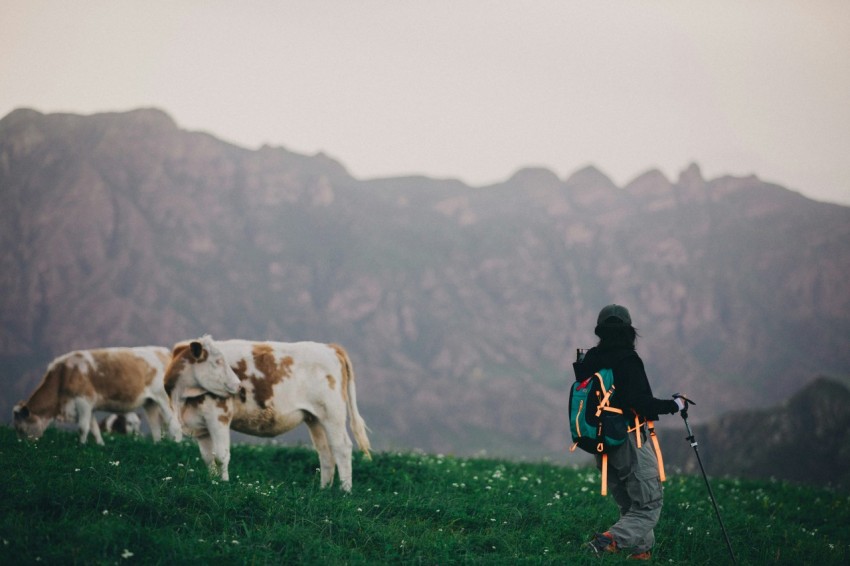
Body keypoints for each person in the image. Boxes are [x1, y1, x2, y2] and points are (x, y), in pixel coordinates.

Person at [580, 304, 685, 561]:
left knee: (630, 505)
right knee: (649, 506)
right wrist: (675, 405)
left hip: (601, 441)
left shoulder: (590, 358)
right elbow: (642, 403)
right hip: (629, 439)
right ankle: (608, 542)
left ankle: (641, 554)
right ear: (629, 331)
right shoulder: (627, 360)